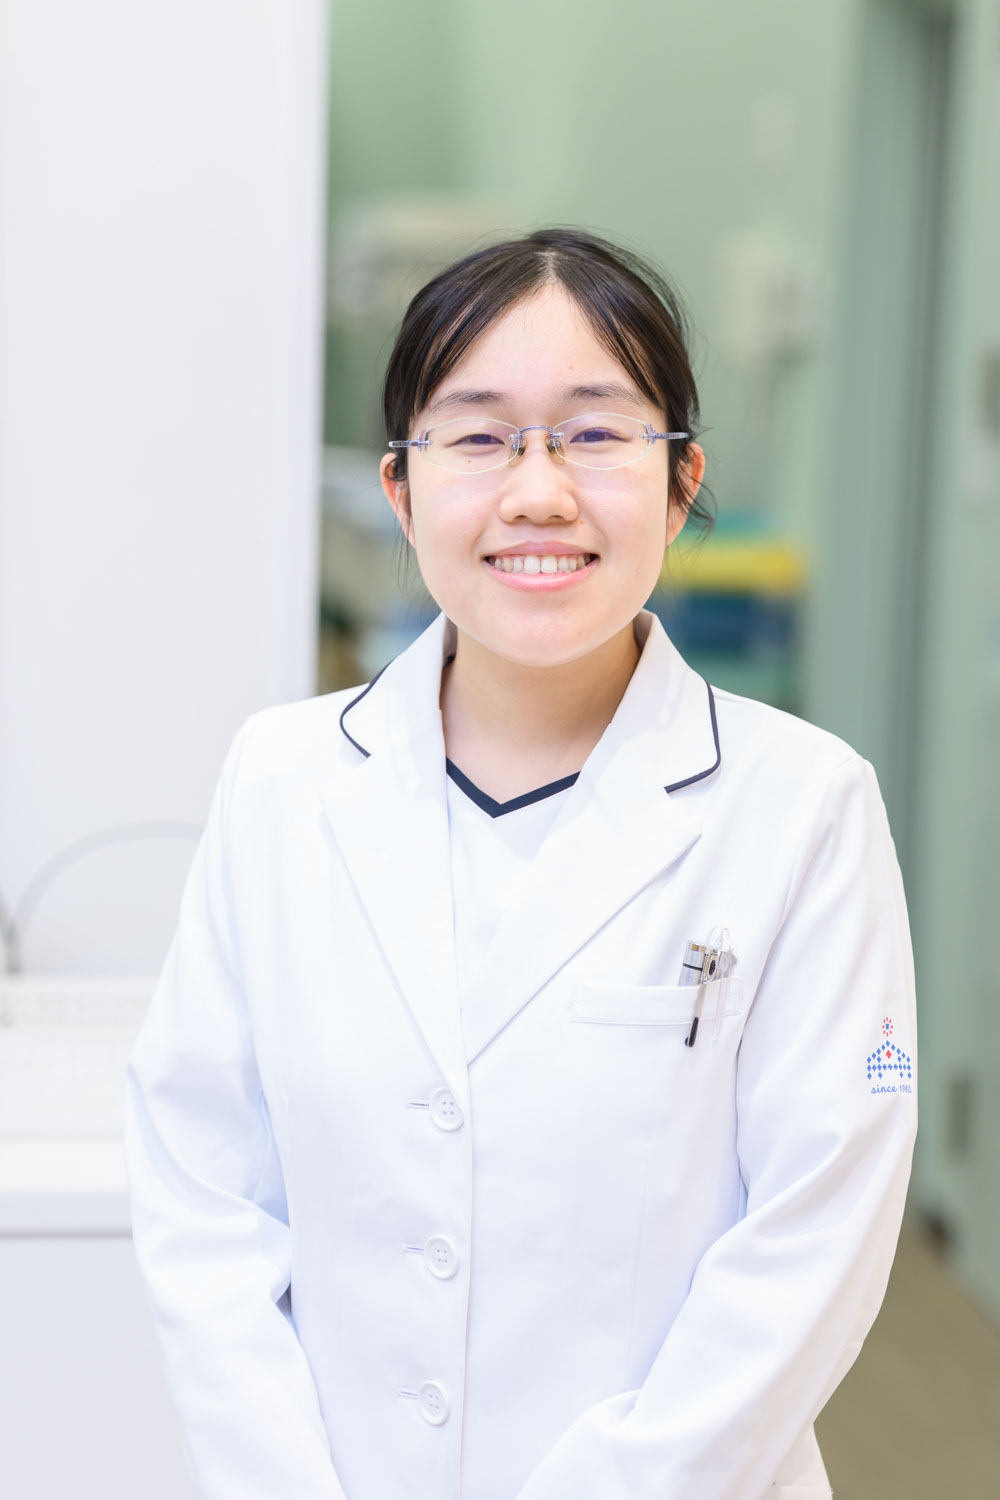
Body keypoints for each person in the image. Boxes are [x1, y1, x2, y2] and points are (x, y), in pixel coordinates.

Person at [123, 227, 918, 1500]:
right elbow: (202, 1192)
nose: (538, 491)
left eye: (595, 433)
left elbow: (814, 1238)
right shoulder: (278, 782)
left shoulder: (802, 808)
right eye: (479, 436)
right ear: (400, 489)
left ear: (680, 479)